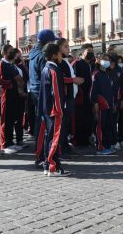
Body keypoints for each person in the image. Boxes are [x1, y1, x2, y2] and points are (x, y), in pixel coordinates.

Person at [38, 43, 70, 177]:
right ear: (53, 55)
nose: (61, 55)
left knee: (49, 137)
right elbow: (55, 92)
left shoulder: (46, 68)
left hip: (47, 109)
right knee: (54, 138)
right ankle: (53, 165)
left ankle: (48, 164)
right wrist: (59, 109)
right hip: (54, 110)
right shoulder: (53, 70)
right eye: (59, 53)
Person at [29, 29, 59, 166]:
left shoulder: (33, 53)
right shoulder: (42, 56)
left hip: (36, 91)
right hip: (42, 92)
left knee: (42, 125)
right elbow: (45, 77)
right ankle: (41, 156)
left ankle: (41, 154)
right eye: (53, 41)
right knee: (43, 126)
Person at [55, 38, 84, 155]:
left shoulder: (65, 61)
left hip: (70, 96)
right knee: (63, 124)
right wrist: (74, 80)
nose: (68, 49)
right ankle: (62, 148)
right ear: (59, 48)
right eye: (65, 46)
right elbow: (59, 79)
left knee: (66, 123)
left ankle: (65, 145)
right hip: (65, 97)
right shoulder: (59, 62)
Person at [0, 44, 21, 154]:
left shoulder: (10, 64)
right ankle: (4, 143)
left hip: (13, 94)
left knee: (11, 119)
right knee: (5, 119)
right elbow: (0, 80)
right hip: (6, 94)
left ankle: (10, 142)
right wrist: (13, 82)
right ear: (5, 53)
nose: (12, 53)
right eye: (10, 51)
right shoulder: (1, 64)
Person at [91, 53, 115, 155]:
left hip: (109, 105)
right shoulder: (96, 74)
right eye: (104, 59)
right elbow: (93, 91)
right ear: (98, 60)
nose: (107, 61)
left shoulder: (108, 74)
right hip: (101, 105)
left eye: (108, 59)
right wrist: (95, 103)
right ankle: (100, 147)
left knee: (108, 126)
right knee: (101, 126)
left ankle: (108, 145)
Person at [72, 43, 95, 146]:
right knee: (79, 119)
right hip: (80, 97)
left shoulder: (92, 64)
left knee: (88, 119)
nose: (91, 52)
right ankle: (78, 140)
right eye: (88, 50)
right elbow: (74, 79)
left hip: (90, 97)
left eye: (92, 50)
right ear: (82, 52)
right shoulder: (76, 63)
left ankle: (86, 139)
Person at [107, 54, 123, 150]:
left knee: (114, 121)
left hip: (116, 100)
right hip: (106, 100)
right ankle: (108, 141)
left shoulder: (119, 70)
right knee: (107, 122)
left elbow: (122, 86)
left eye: (109, 61)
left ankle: (115, 141)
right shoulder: (105, 70)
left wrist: (122, 99)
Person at [13, 48, 29, 147]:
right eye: (18, 56)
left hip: (22, 94)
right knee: (14, 118)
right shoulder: (11, 67)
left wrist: (23, 64)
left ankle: (20, 139)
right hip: (14, 94)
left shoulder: (20, 66)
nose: (20, 57)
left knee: (20, 117)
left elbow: (27, 75)